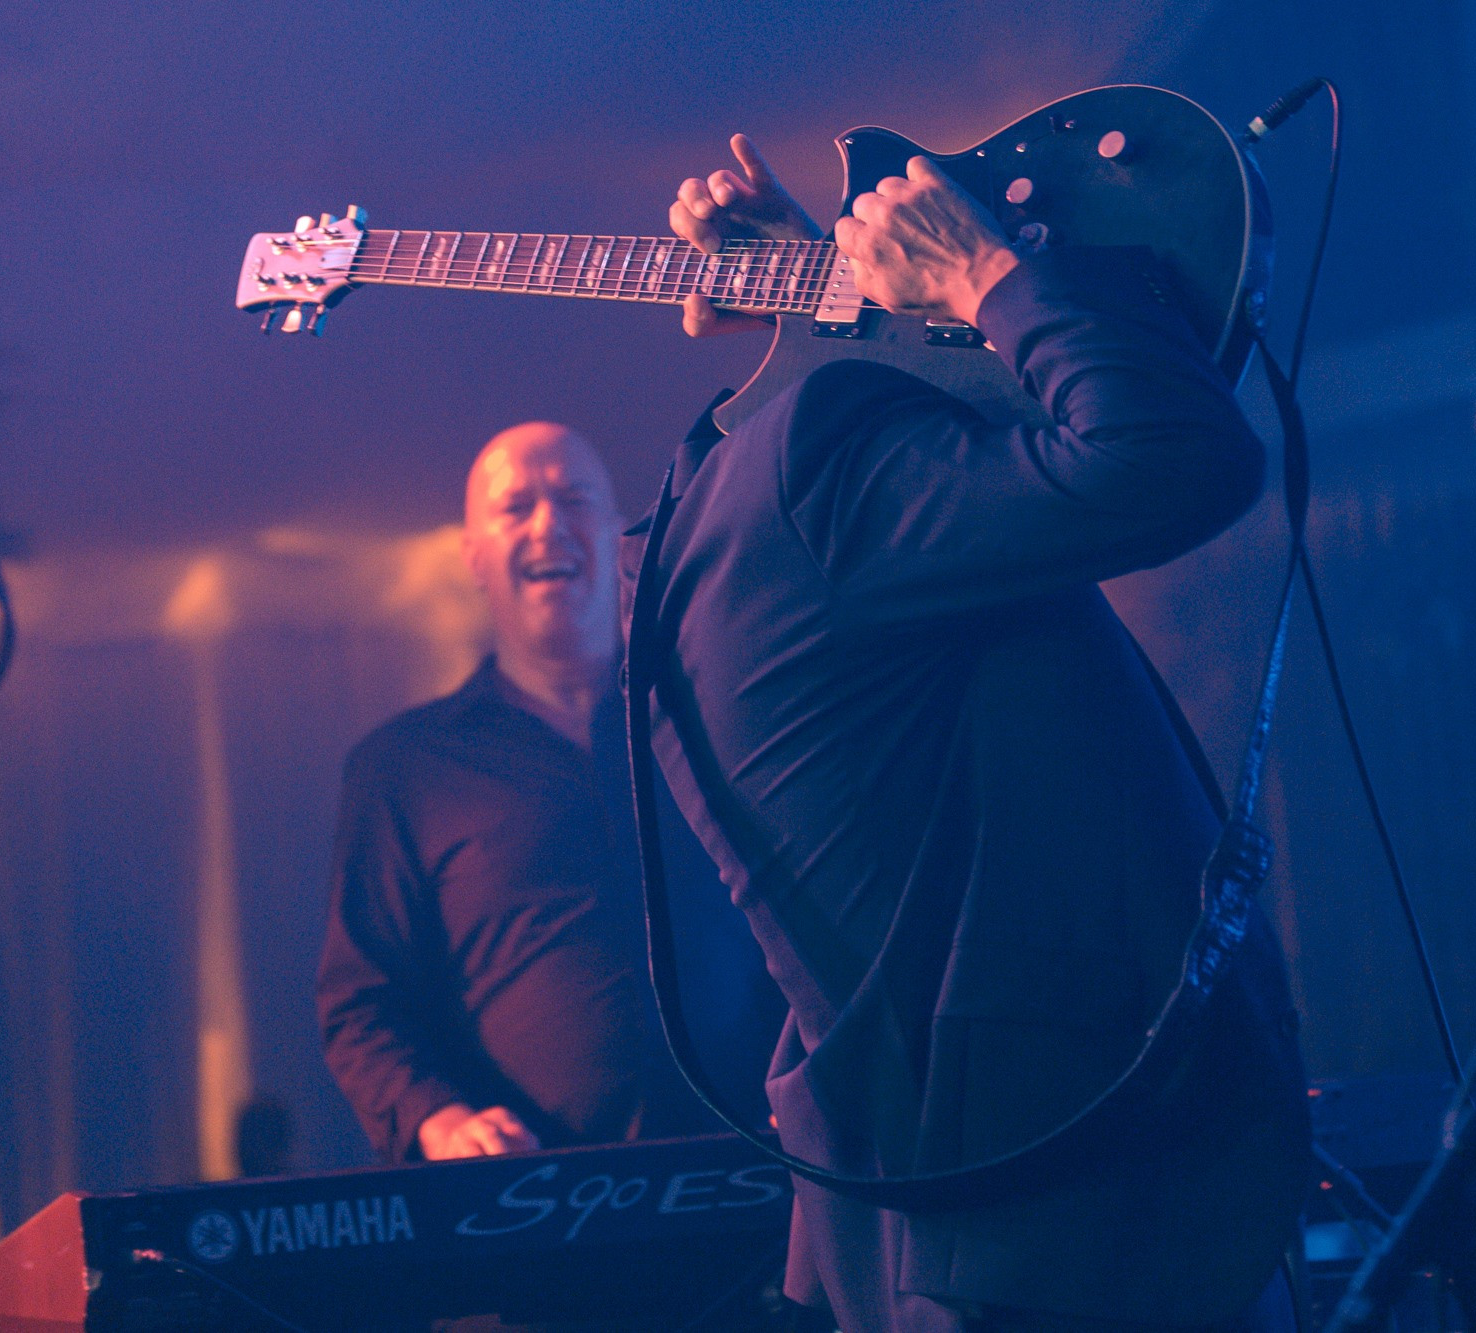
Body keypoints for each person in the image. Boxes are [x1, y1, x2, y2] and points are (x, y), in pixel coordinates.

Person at [620, 136, 1312, 1330]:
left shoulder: (730, 525)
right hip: (1080, 1224)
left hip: (965, 1220)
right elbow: (1174, 453)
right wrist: (988, 274)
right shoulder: (820, 472)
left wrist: (830, 295)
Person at [317, 422, 781, 1164]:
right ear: (473, 555)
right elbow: (362, 1003)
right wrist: (440, 1121)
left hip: (767, 1172)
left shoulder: (712, 721)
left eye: (573, 499)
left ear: (614, 531)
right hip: (536, 1204)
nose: (547, 524)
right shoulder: (404, 767)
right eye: (516, 506)